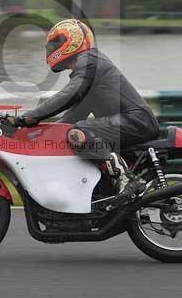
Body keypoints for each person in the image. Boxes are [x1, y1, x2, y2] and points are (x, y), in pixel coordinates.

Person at [13, 18, 160, 200]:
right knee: (71, 132)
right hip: (130, 122)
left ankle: (126, 179)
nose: (51, 49)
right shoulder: (89, 71)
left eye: (56, 43)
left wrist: (30, 117)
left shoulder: (90, 60)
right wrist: (41, 134)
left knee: (77, 132)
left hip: (136, 121)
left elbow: (69, 94)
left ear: (72, 41)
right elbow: (71, 117)